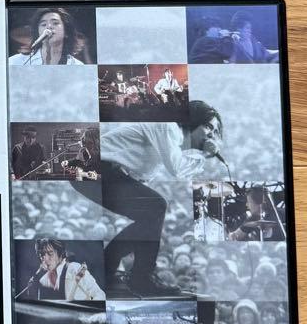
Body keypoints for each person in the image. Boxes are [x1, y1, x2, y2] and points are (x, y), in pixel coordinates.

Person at [88, 100, 224, 297]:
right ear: (194, 119)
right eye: (209, 127)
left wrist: (202, 154)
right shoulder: (167, 126)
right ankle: (137, 276)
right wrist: (203, 154)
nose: (211, 134)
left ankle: (107, 268)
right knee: (156, 207)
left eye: (215, 131)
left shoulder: (169, 142)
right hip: (95, 167)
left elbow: (172, 169)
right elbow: (177, 168)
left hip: (97, 171)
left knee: (150, 214)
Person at [31, 237, 105, 300]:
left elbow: (99, 295)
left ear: (60, 253)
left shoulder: (74, 268)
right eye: (42, 254)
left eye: (50, 253)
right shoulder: (43, 280)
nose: (46, 259)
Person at [9, 7, 84, 66]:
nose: (49, 26)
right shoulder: (16, 62)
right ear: (38, 33)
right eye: (43, 24)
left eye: (55, 23)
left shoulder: (77, 65)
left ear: (66, 32)